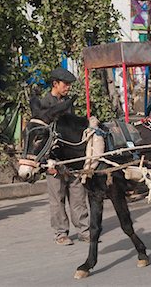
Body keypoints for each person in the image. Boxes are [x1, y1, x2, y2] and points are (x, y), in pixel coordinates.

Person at [40, 67, 90, 246]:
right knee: (58, 198)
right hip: (53, 158)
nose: (68, 87)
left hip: (71, 156)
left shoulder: (68, 102)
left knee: (78, 195)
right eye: (65, 84)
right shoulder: (44, 104)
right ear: (55, 84)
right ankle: (61, 233)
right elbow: (41, 136)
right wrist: (47, 161)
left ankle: (84, 230)